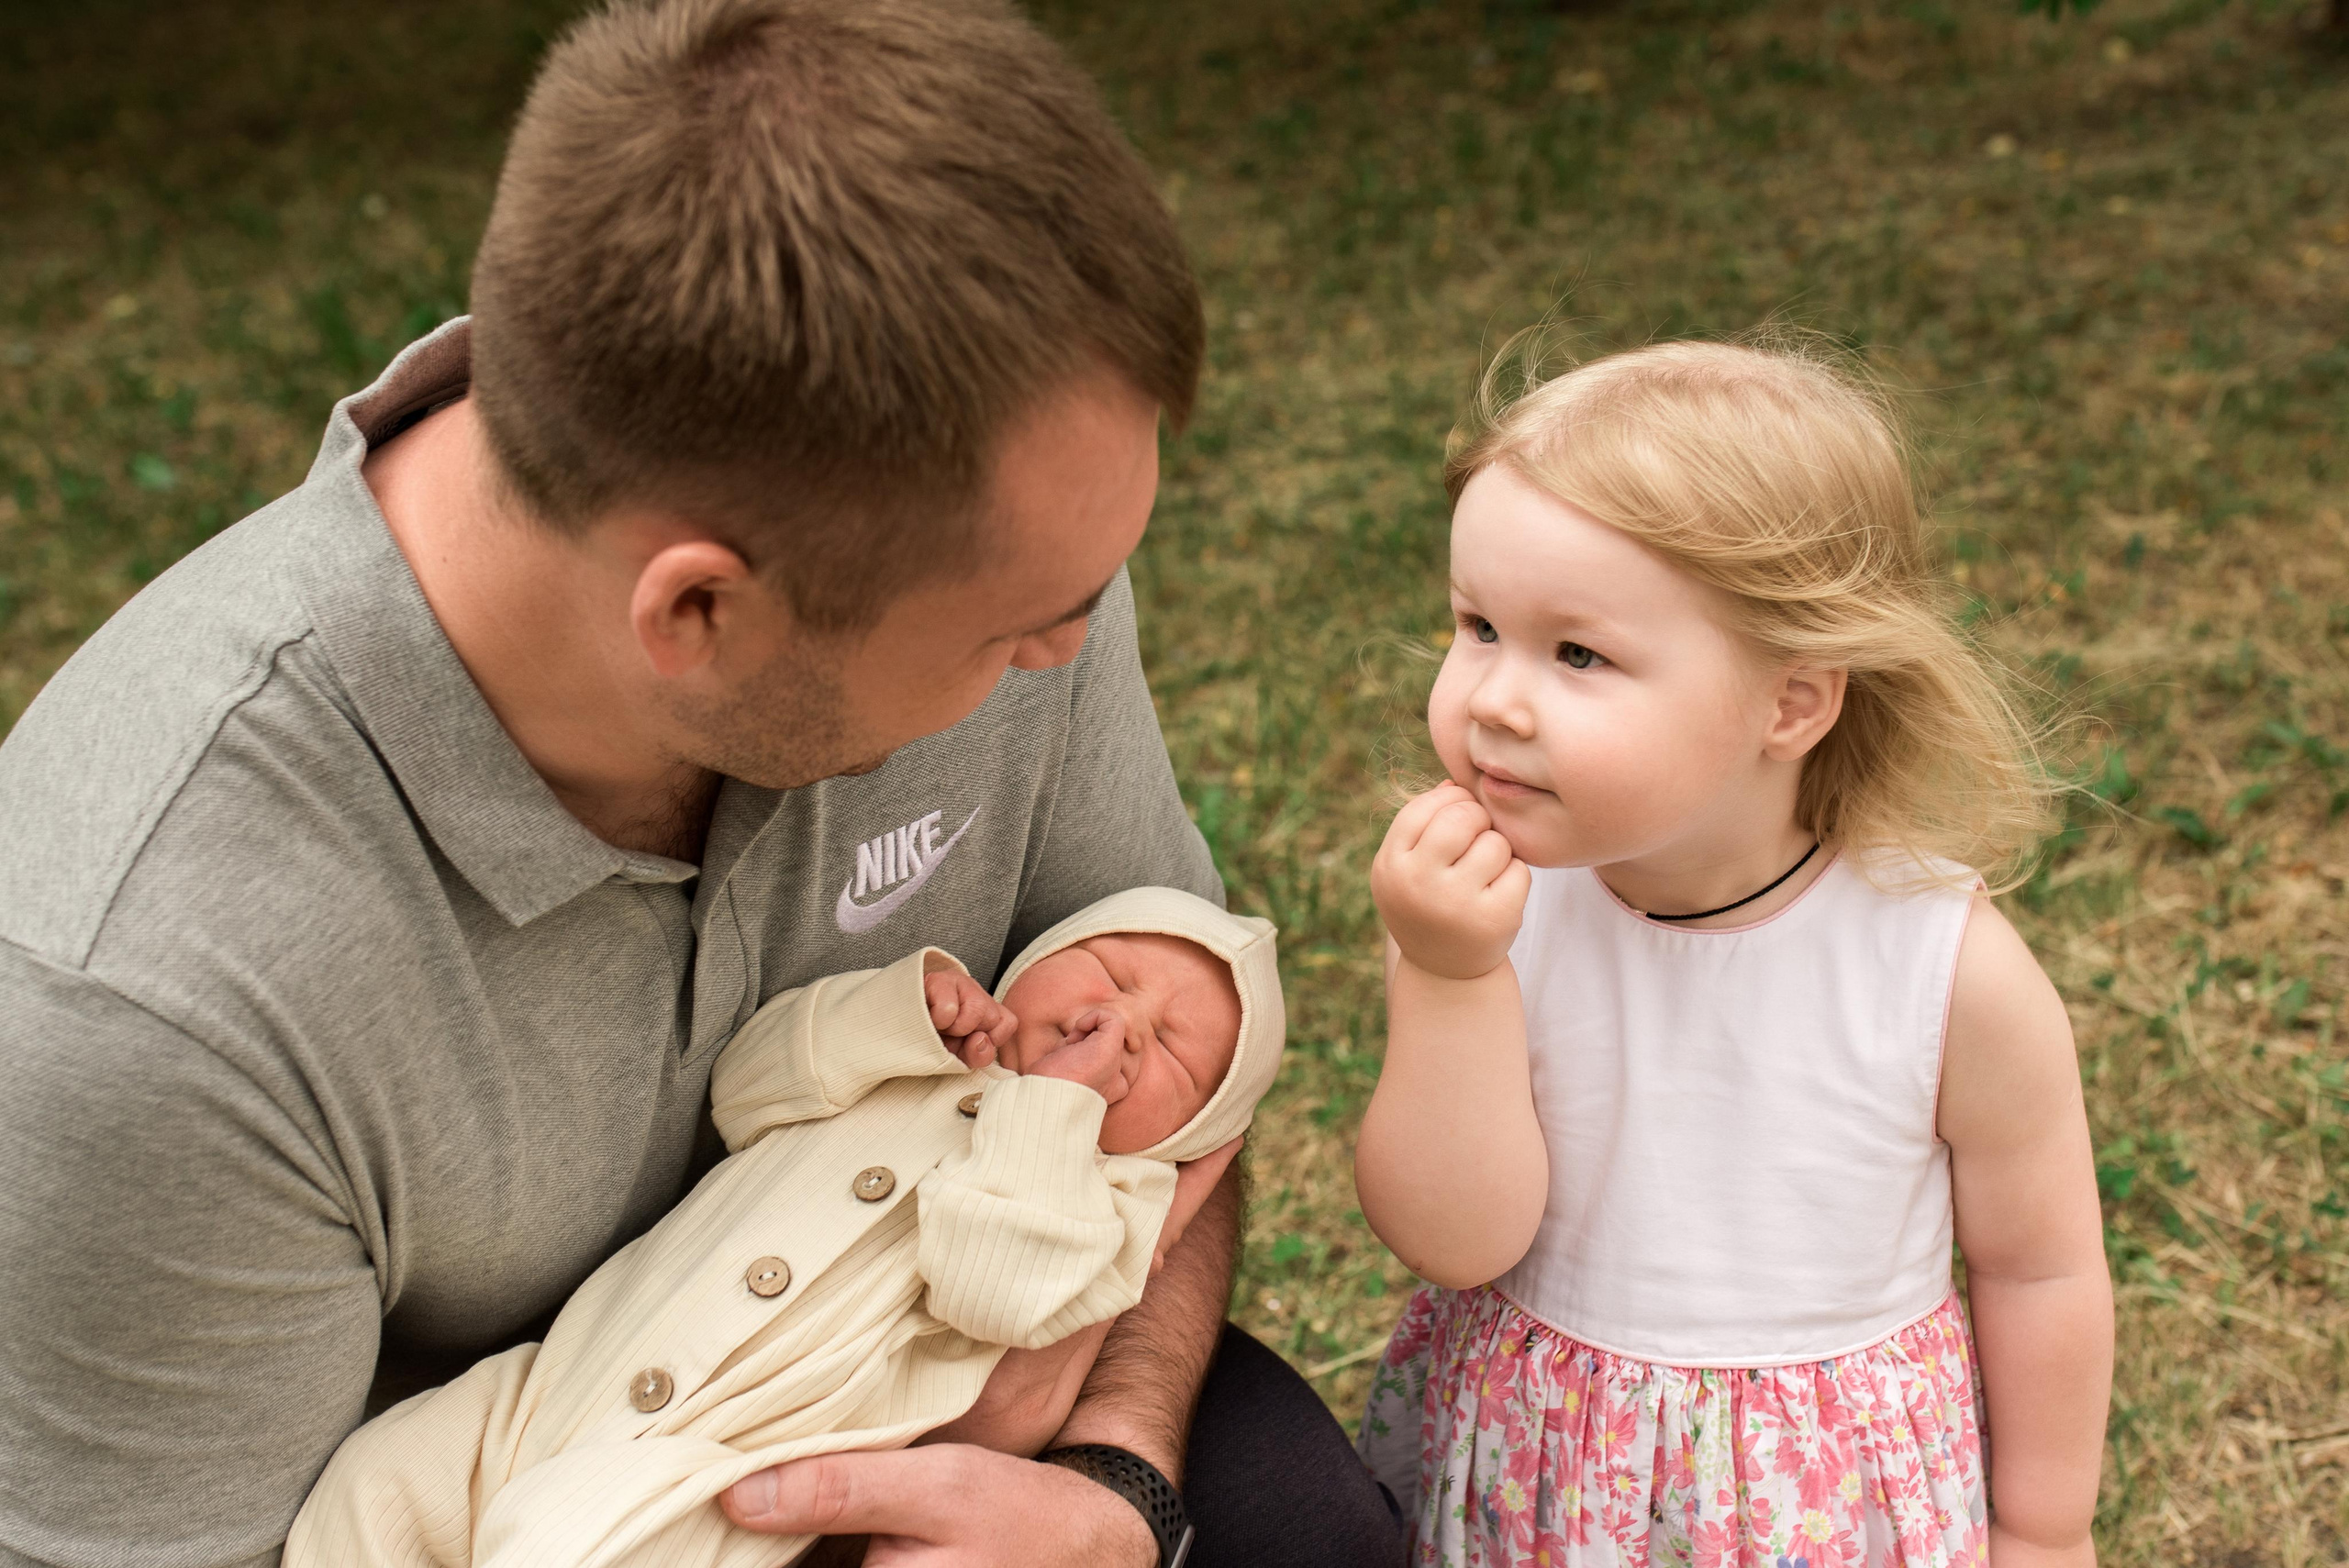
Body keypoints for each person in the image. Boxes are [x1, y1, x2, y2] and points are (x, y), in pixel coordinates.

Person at [0, 3, 1402, 1566]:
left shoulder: (999, 551)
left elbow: (1185, 1092)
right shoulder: (147, 995)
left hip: (932, 1355)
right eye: (1016, 629)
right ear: (698, 615)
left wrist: (1112, 1469)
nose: (1067, 647)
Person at [1352, 338, 2115, 1566]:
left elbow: (2040, 1269)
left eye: (1578, 653)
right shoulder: (1486, 918)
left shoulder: (1941, 971)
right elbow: (1455, 1238)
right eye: (1478, 625)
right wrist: (1448, 978)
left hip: (1826, 1505)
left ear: (1790, 704)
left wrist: (2044, 1527)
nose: (1492, 696)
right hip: (1552, 1495)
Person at [287, 888, 1284, 1568]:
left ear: (1191, 1133)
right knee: (377, 1485)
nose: (1116, 1024)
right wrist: (891, 1015)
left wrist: (1053, 1108)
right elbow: (747, 1092)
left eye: (1171, 1051)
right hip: (558, 1380)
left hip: (723, 1473)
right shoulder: (920, 1052)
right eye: (1104, 969)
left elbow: (991, 1287)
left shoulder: (1112, 1207)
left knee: (557, 1545)